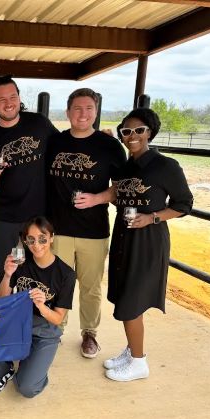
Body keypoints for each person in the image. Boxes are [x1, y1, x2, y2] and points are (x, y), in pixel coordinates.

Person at [105, 108, 193, 381]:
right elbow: (117, 197)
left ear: (150, 132)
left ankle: (139, 362)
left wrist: (152, 217)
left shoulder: (166, 166)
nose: (133, 136)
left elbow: (184, 204)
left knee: (131, 301)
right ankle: (133, 350)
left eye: (139, 130)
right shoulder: (126, 167)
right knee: (123, 294)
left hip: (148, 241)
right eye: (126, 131)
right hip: (124, 236)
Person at [46, 88, 127, 358]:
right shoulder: (54, 142)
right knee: (57, 283)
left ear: (96, 111)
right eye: (77, 108)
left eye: (89, 108)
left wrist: (97, 198)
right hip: (58, 227)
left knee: (91, 285)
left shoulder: (110, 146)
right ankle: (56, 328)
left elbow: (121, 187)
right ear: (68, 112)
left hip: (94, 229)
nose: (83, 114)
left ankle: (89, 333)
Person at [0, 75, 58, 287]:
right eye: (2, 99)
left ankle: (36, 317)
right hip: (4, 217)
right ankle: (6, 317)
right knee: (5, 272)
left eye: (13, 96)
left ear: (19, 98)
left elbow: (63, 147)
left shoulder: (39, 123)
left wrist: (96, 139)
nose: (9, 103)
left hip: (39, 216)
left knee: (39, 270)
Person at [0, 216, 76, 397]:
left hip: (46, 329)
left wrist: (42, 306)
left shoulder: (66, 274)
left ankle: (32, 361)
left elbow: (58, 318)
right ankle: (8, 366)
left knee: (27, 388)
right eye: (31, 240)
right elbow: (1, 300)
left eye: (43, 239)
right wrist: (6, 275)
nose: (37, 245)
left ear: (52, 238)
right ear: (25, 241)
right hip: (19, 321)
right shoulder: (20, 262)